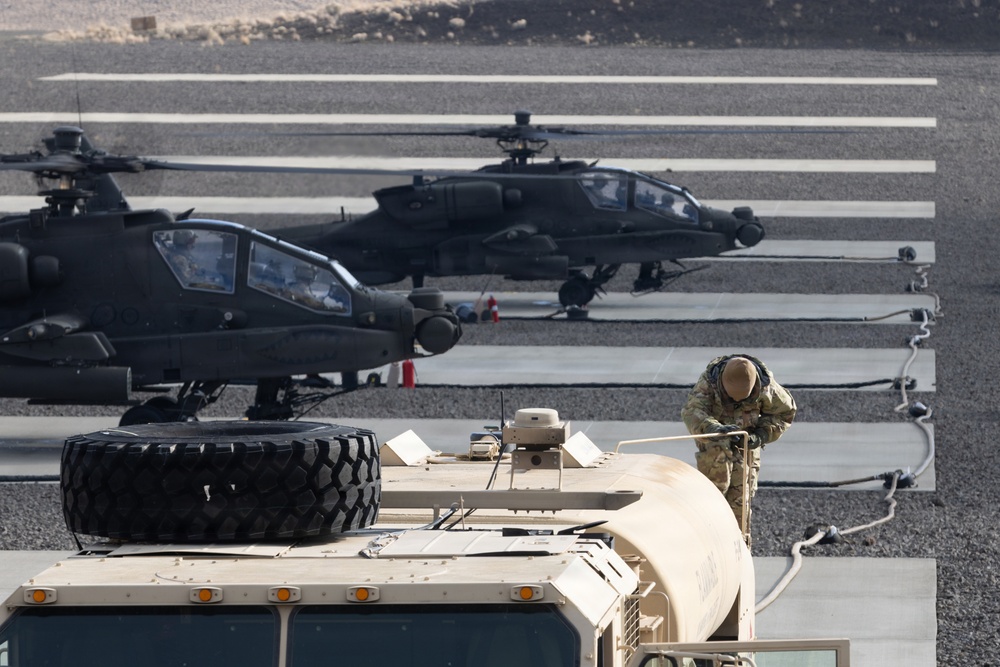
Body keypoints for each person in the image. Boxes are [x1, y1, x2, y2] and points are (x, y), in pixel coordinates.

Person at [681, 354, 796, 547]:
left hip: (746, 448)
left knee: (740, 506)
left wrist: (760, 435)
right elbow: (692, 412)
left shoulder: (766, 388)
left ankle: (739, 551)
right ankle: (709, 548)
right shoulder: (708, 384)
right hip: (715, 449)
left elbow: (784, 413)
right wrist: (714, 428)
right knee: (711, 501)